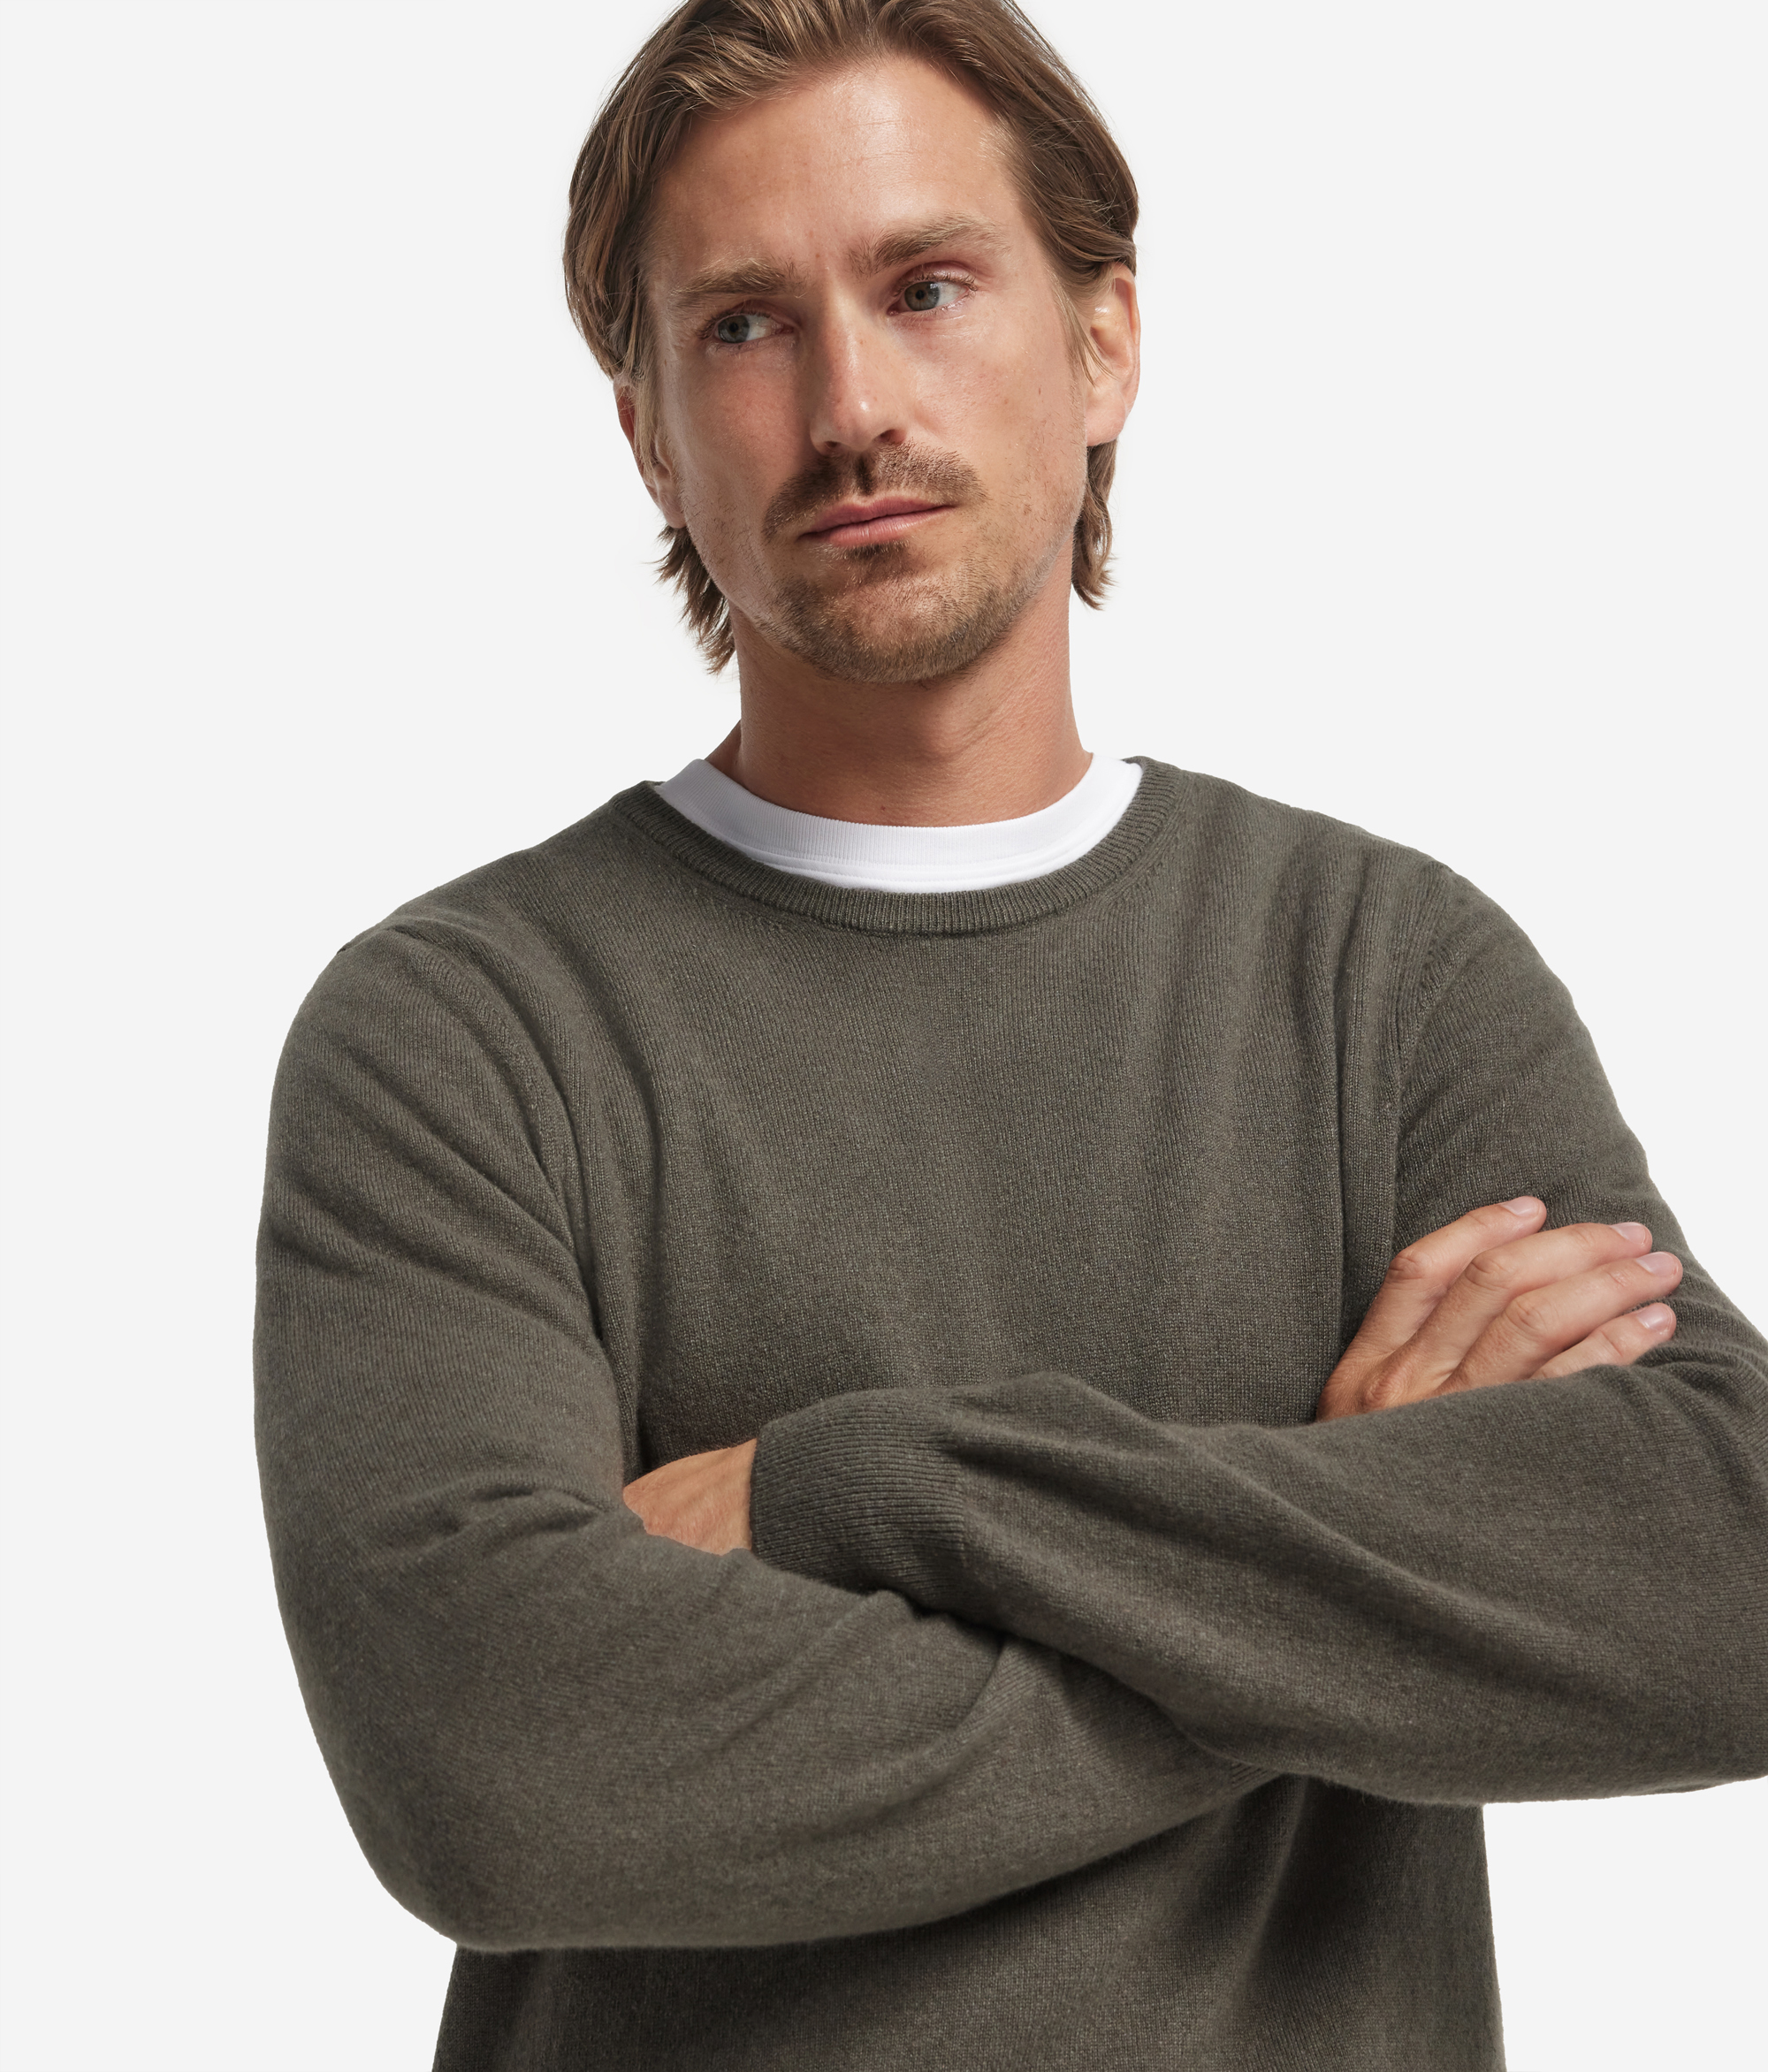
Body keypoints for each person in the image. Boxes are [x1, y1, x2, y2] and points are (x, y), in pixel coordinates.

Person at [253, 2, 1768, 2066]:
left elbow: (1722, 1585)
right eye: (742, 325)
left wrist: (847, 1487)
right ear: (649, 436)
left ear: (1104, 340)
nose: (852, 404)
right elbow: (500, 1768)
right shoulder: (464, 1029)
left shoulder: (1381, 972)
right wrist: (1350, 1557)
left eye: (928, 286)